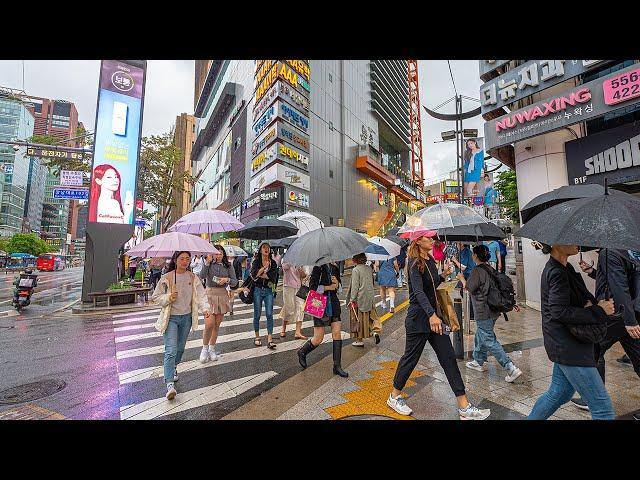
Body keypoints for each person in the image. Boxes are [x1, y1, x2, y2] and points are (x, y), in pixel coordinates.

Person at [387, 230, 491, 420]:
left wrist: (443, 275)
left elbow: (431, 286)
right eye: (429, 238)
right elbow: (418, 292)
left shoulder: (429, 260)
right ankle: (394, 396)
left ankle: (464, 406)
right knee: (410, 359)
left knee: (448, 357)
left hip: (434, 319)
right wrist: (431, 315)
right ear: (418, 241)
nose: (433, 240)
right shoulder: (414, 263)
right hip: (419, 319)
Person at [527, 243, 615, 420]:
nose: (577, 242)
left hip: (566, 343)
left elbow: (579, 300)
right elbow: (559, 312)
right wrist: (599, 311)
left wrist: (594, 304)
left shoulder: (565, 268)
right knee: (602, 407)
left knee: (559, 394)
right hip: (569, 347)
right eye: (571, 238)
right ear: (555, 243)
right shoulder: (557, 272)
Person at [573, 249, 640, 411]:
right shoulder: (628, 249)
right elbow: (619, 279)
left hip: (616, 313)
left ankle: (594, 399)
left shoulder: (609, 252)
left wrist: (629, 321)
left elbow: (619, 286)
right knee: (638, 356)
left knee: (593, 349)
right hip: (632, 310)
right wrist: (593, 272)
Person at [457, 245, 523, 383]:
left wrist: (462, 278)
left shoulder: (477, 271)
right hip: (493, 310)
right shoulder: (489, 268)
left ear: (475, 256)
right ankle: (478, 360)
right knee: (482, 334)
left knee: (488, 339)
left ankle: (510, 367)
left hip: (483, 310)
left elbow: (469, 288)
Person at [151, 251, 211, 401]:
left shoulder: (192, 277)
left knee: (180, 349)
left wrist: (205, 309)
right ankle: (170, 384)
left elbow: (201, 294)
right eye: (182, 259)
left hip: (186, 318)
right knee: (170, 350)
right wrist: (168, 297)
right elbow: (156, 297)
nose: (185, 261)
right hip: (171, 319)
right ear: (176, 260)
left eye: (187, 259)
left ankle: (173, 367)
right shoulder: (168, 277)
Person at [297, 261, 348, 377]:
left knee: (337, 334)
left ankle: (337, 366)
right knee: (318, 338)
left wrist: (337, 285)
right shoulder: (317, 268)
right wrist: (328, 287)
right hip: (319, 305)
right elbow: (312, 289)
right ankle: (302, 352)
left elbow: (339, 289)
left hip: (333, 304)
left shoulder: (334, 268)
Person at [198, 245, 237, 362]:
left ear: (224, 254)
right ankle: (204, 349)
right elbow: (202, 276)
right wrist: (207, 262)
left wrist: (227, 280)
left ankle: (212, 348)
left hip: (222, 295)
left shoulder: (228, 265)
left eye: (220, 253)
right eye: (216, 253)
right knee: (209, 324)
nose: (218, 256)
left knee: (216, 325)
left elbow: (235, 281)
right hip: (209, 294)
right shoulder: (209, 264)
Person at [248, 242, 279, 349]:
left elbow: (273, 278)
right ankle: (257, 337)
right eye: (264, 247)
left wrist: (263, 275)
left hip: (269, 290)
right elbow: (253, 274)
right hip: (257, 290)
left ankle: (270, 339)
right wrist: (263, 269)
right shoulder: (256, 262)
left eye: (268, 248)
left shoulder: (273, 263)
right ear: (260, 250)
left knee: (269, 314)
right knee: (257, 314)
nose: (266, 249)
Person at [348, 253, 381, 347]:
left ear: (355, 259)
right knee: (369, 317)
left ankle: (359, 340)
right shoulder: (369, 268)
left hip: (360, 298)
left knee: (358, 319)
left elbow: (355, 286)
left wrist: (352, 299)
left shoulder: (355, 270)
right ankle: (374, 332)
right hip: (369, 297)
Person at [280, 260, 308, 340]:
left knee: (300, 308)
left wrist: (301, 270)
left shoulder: (300, 260)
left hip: (298, 287)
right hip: (288, 286)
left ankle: (298, 332)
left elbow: (304, 275)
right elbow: (285, 268)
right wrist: (292, 261)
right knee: (289, 308)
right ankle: (283, 328)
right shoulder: (286, 259)